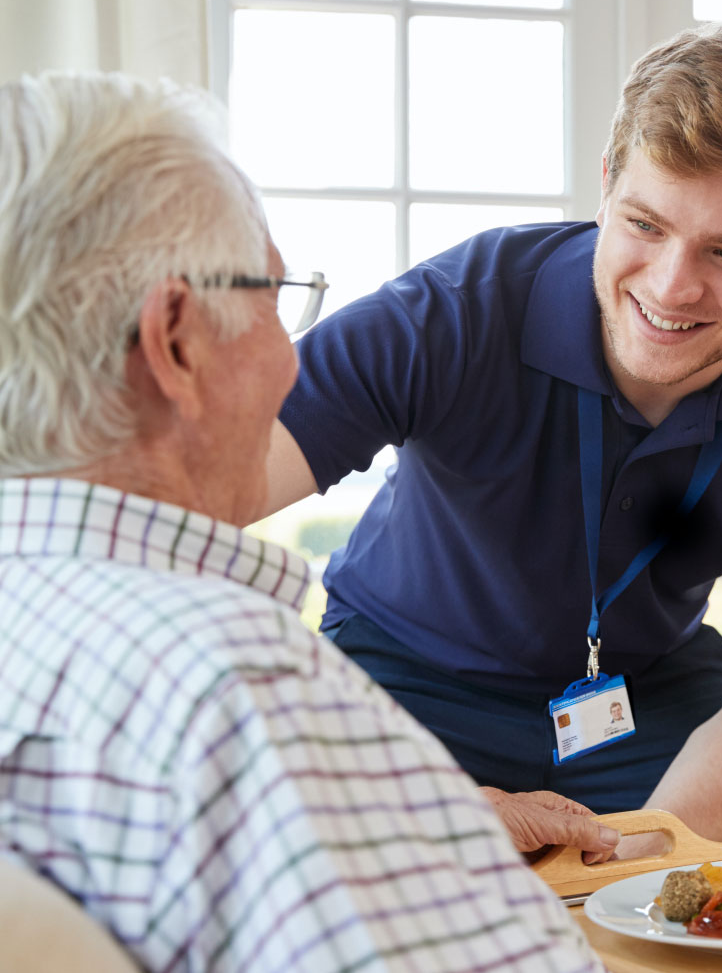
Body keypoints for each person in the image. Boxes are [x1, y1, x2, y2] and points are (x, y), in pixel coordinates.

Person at [0, 70, 608, 972]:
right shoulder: (234, 683)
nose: (295, 360)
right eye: (275, 299)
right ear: (174, 339)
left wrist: (395, 818)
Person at [266, 23, 722, 844]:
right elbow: (188, 485)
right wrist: (430, 818)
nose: (672, 287)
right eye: (646, 225)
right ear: (605, 189)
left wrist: (617, 867)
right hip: (404, 681)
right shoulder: (455, 312)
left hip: (646, 698)